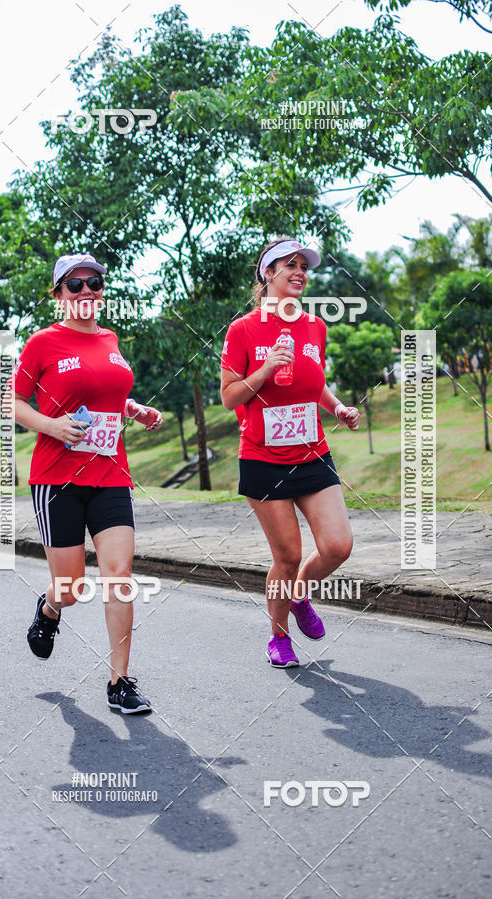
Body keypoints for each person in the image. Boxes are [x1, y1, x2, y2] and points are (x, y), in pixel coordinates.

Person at [9, 253, 163, 714]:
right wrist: (50, 425)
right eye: (74, 285)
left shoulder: (111, 339)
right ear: (58, 295)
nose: (86, 291)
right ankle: (49, 609)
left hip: (111, 473)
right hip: (57, 479)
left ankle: (120, 682)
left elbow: (106, 396)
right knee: (72, 588)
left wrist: (133, 409)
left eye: (94, 282)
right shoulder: (43, 343)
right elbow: (12, 402)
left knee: (119, 577)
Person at [220, 237, 360, 668]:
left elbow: (313, 382)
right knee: (287, 555)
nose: (299, 272)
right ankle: (278, 637)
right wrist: (264, 369)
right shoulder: (243, 329)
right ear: (268, 273)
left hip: (312, 452)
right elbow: (228, 397)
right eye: (289, 265)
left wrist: (336, 407)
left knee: (338, 545)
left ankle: (299, 591)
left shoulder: (315, 327)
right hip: (263, 460)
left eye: (304, 266)